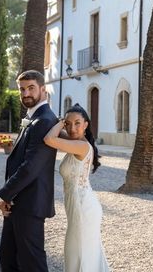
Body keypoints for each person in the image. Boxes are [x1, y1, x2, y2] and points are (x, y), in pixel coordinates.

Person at [0, 70, 59, 272]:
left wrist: (2, 194)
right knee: (9, 258)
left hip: (30, 205)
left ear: (43, 89)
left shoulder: (45, 121)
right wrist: (9, 197)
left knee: (33, 264)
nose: (26, 94)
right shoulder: (33, 118)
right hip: (16, 203)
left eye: (31, 88)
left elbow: (31, 167)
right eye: (22, 89)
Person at [44, 103, 109, 272]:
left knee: (78, 253)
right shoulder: (75, 140)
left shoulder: (81, 146)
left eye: (77, 123)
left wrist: (60, 122)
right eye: (68, 124)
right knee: (80, 253)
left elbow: (49, 139)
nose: (72, 128)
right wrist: (61, 124)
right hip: (79, 204)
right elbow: (58, 135)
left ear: (86, 124)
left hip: (83, 207)